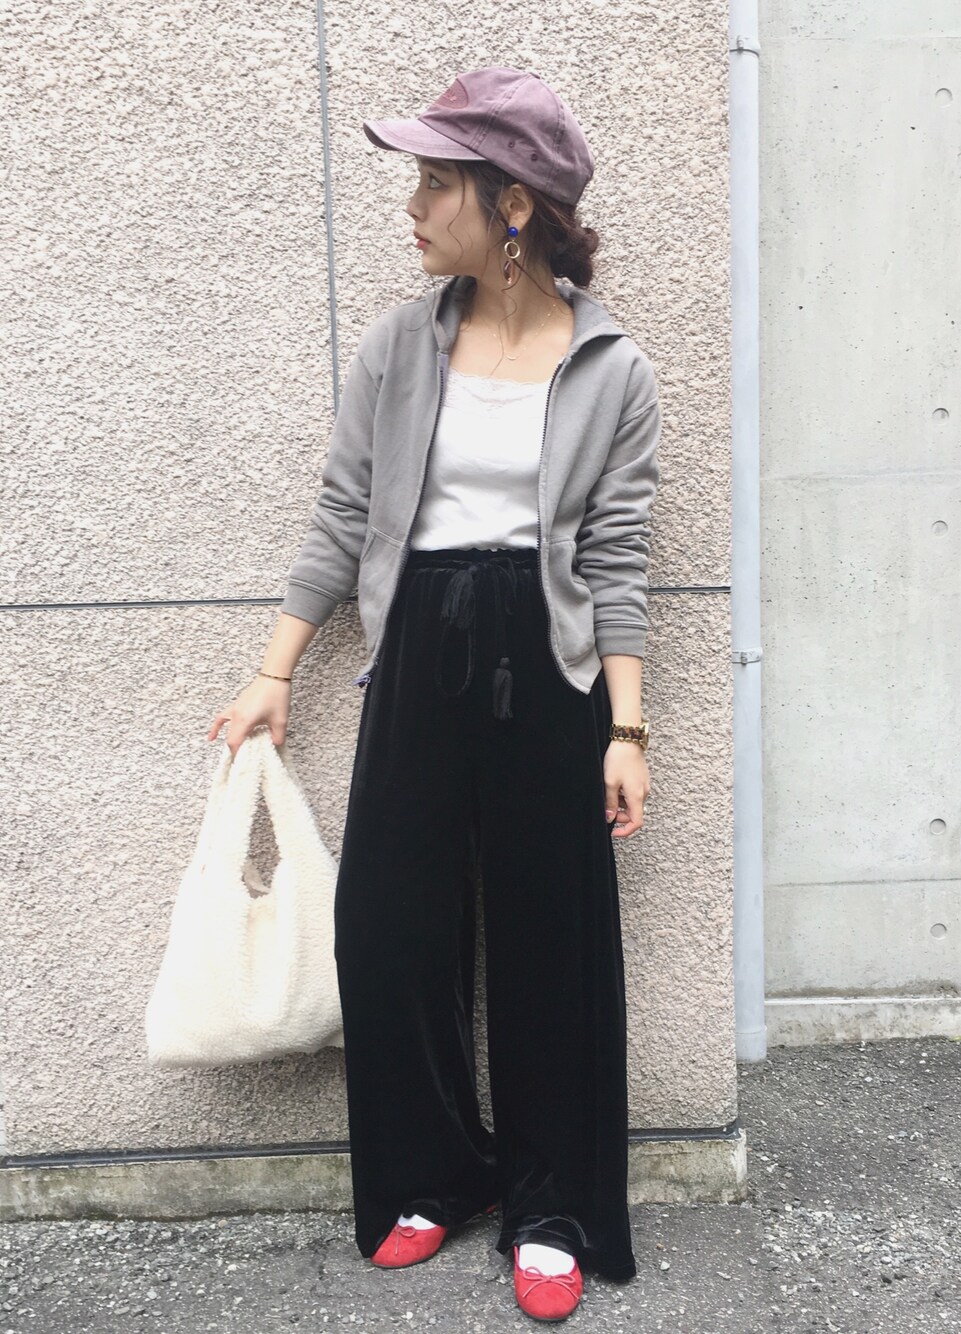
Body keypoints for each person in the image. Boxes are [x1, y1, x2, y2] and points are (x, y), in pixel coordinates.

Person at [208, 66, 661, 1324]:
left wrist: (626, 726)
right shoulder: (401, 346)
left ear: (511, 203)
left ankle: (551, 1205)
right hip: (416, 649)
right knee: (389, 925)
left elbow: (617, 557)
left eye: (433, 183)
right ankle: (434, 1172)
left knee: (550, 939)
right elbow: (344, 512)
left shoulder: (612, 369)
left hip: (549, 663)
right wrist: (274, 671)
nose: (411, 207)